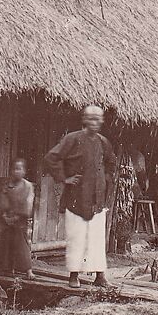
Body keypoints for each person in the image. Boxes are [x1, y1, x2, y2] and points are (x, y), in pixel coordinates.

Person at [44, 105, 117, 289]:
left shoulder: (103, 142)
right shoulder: (72, 139)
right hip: (77, 196)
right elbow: (52, 157)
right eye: (92, 119)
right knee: (77, 237)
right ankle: (73, 275)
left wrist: (104, 181)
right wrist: (64, 178)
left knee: (97, 238)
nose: (96, 122)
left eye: (99, 119)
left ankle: (100, 276)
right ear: (84, 119)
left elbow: (111, 163)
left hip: (97, 198)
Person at [0, 158, 35, 278]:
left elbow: (28, 204)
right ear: (11, 171)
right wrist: (5, 216)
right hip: (8, 219)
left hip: (21, 220)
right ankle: (8, 268)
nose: (17, 171)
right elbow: (3, 203)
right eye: (15, 169)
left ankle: (28, 270)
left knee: (21, 243)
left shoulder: (28, 186)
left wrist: (18, 216)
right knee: (7, 242)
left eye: (20, 169)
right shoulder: (7, 186)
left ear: (24, 171)